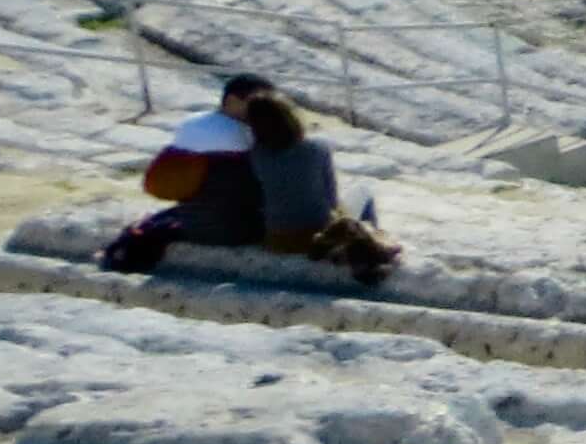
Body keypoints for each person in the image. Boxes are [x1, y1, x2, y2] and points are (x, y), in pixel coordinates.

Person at [100, 74, 276, 272]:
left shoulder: (191, 123)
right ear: (232, 101)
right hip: (235, 228)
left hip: (193, 219)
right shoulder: (243, 135)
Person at [235, 85, 396, 286]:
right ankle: (369, 244)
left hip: (278, 240)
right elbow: (331, 199)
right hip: (319, 234)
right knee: (363, 192)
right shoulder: (317, 147)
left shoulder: (257, 155)